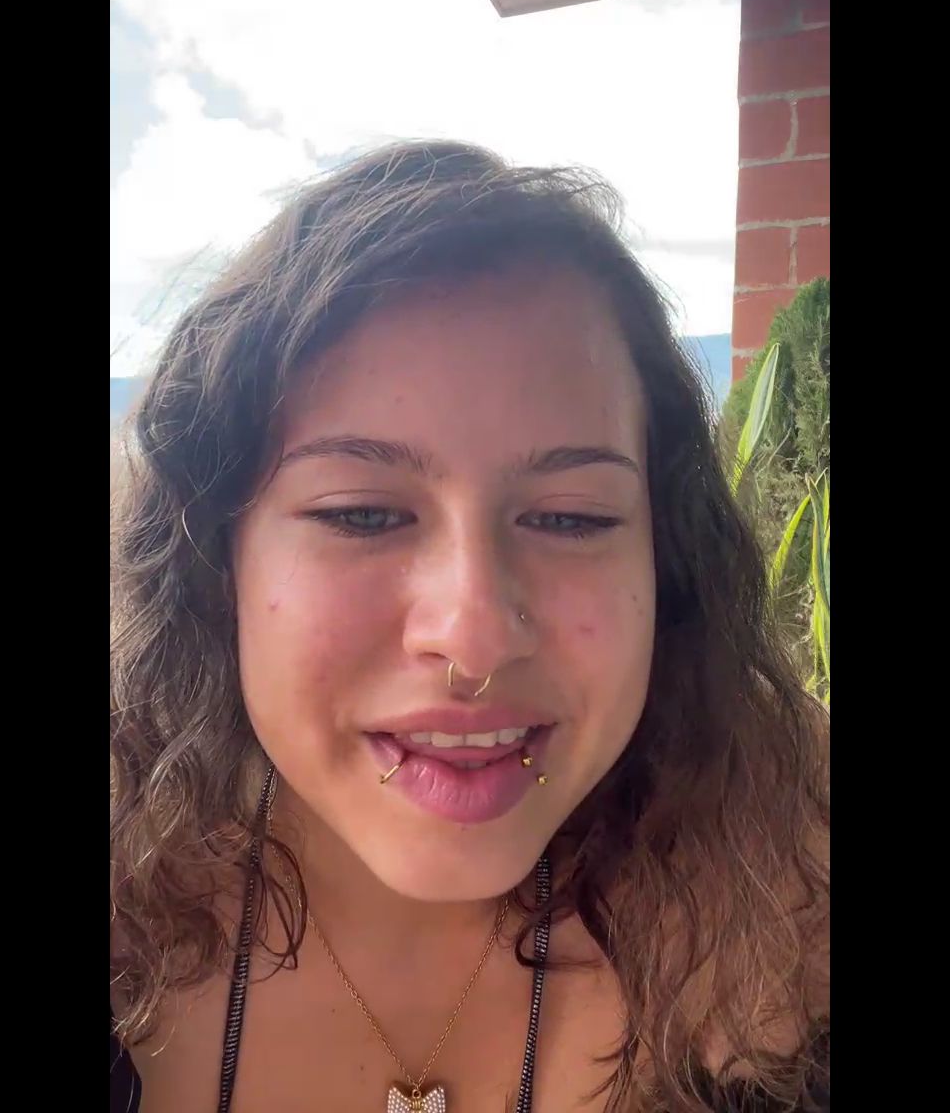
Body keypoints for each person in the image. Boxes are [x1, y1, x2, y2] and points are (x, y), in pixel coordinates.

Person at [110, 141, 829, 1113]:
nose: (475, 637)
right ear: (216, 558)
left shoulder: (798, 902)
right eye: (364, 513)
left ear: (666, 562)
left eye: (571, 518)